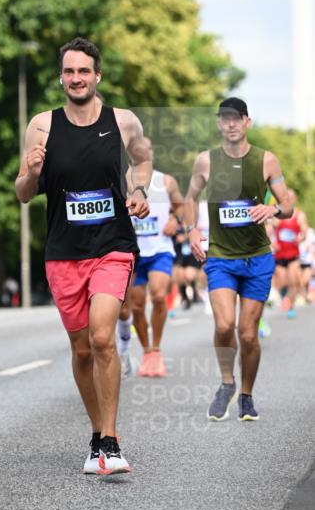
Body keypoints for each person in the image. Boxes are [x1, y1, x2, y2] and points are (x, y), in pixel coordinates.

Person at [16, 36, 151, 475]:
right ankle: (96, 435)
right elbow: (22, 193)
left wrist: (139, 189)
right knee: (81, 349)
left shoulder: (123, 121)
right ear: (62, 78)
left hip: (112, 246)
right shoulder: (42, 126)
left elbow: (143, 159)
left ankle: (111, 441)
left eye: (84, 71)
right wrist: (32, 172)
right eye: (69, 71)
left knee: (102, 337)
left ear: (98, 76)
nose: (77, 78)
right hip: (63, 252)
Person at [184, 97, 293, 423]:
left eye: (237, 118)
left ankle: (246, 394)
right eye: (225, 118)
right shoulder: (206, 161)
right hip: (220, 257)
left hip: (257, 258)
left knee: (247, 334)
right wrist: (192, 230)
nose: (231, 124)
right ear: (219, 123)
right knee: (222, 325)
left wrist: (273, 208)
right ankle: (226, 382)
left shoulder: (266, 160)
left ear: (247, 122)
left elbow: (287, 204)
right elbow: (190, 198)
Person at [129, 138, 184, 377]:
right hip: (132, 251)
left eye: (147, 149)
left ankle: (157, 348)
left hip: (160, 249)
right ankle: (147, 351)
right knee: (137, 306)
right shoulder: (123, 180)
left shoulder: (166, 181)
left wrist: (175, 220)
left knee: (159, 296)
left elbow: (181, 206)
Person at [271, 191, 308, 318]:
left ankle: (289, 305)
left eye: (291, 198)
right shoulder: (278, 215)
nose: (289, 200)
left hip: (293, 254)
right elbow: (269, 231)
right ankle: (284, 298)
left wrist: (300, 238)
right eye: (287, 197)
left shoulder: (299, 215)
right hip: (280, 254)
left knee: (294, 281)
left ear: (295, 199)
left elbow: (304, 231)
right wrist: (273, 243)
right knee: (282, 281)